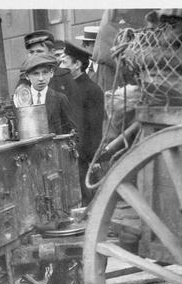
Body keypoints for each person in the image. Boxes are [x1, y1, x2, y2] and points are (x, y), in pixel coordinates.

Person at [61, 42, 104, 204]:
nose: (61, 66)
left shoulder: (92, 90)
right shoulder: (68, 88)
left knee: (88, 200)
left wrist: (92, 159)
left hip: (84, 157)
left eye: (65, 62)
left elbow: (94, 129)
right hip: (72, 155)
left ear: (77, 65)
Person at [20, 54, 76, 136]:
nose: (41, 78)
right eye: (36, 74)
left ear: (51, 73)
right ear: (27, 76)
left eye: (45, 73)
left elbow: (72, 131)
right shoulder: (21, 100)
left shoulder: (60, 99)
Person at [19, 31, 78, 105]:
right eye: (31, 52)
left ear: (52, 52)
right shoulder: (24, 79)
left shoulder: (64, 77)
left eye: (39, 51)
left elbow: (75, 112)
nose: (35, 56)